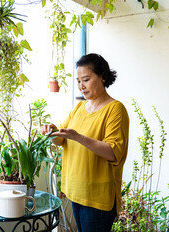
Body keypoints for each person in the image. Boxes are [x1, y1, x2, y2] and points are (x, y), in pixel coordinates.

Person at [41, 53, 129, 232]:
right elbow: (61, 139)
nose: (81, 86)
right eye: (78, 81)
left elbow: (113, 151)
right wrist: (52, 131)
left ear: (102, 76)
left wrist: (79, 137)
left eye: (86, 79)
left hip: (97, 197)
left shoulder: (115, 109)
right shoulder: (80, 108)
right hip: (76, 191)